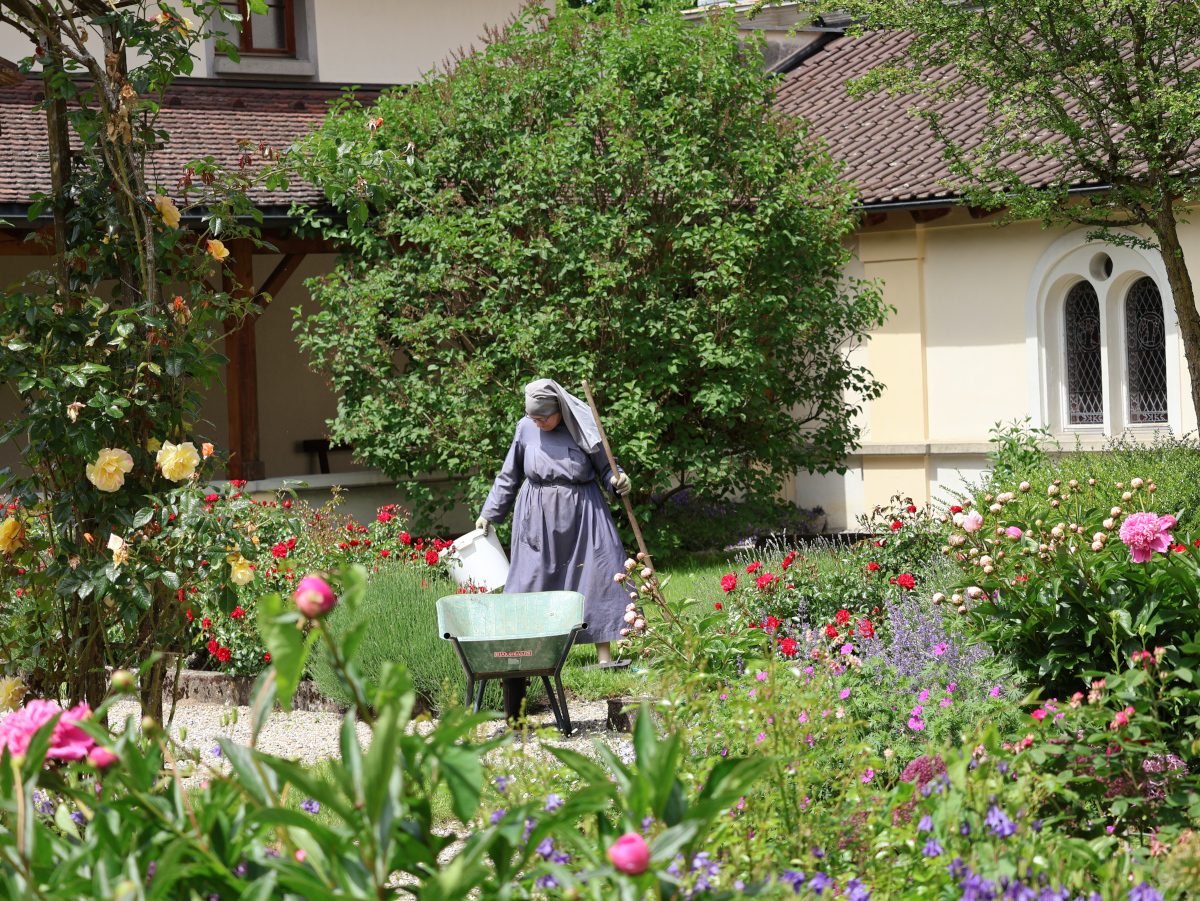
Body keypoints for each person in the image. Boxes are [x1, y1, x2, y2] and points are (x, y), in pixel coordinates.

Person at [476, 378, 632, 666]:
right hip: (537, 516)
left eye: (543, 418)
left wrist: (618, 480)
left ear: (559, 409)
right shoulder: (525, 428)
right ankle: (528, 657)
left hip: (584, 513)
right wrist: (489, 513)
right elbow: (509, 475)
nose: (538, 423)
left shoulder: (582, 425)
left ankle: (604, 657)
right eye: (532, 417)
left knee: (597, 576)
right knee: (531, 579)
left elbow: (606, 468)